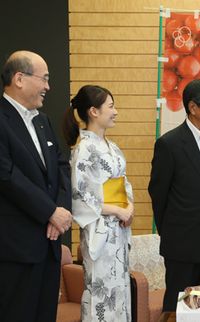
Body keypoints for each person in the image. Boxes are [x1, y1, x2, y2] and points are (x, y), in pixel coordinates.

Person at [0, 50, 72, 322]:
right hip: (16, 249)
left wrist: (61, 211)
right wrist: (49, 211)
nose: (48, 87)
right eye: (44, 79)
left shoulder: (43, 122)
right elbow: (6, 175)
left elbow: (61, 168)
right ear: (19, 78)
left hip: (49, 246)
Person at [148, 79, 200, 311]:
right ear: (193, 108)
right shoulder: (169, 144)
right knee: (178, 308)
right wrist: (171, 232)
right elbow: (158, 194)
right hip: (181, 243)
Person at [62, 85, 134, 321]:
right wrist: (116, 210)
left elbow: (124, 185)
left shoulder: (112, 148)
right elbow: (80, 197)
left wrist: (129, 207)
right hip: (100, 231)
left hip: (119, 230)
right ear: (93, 111)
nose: (115, 112)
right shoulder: (83, 149)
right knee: (101, 295)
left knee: (120, 292)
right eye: (111, 106)